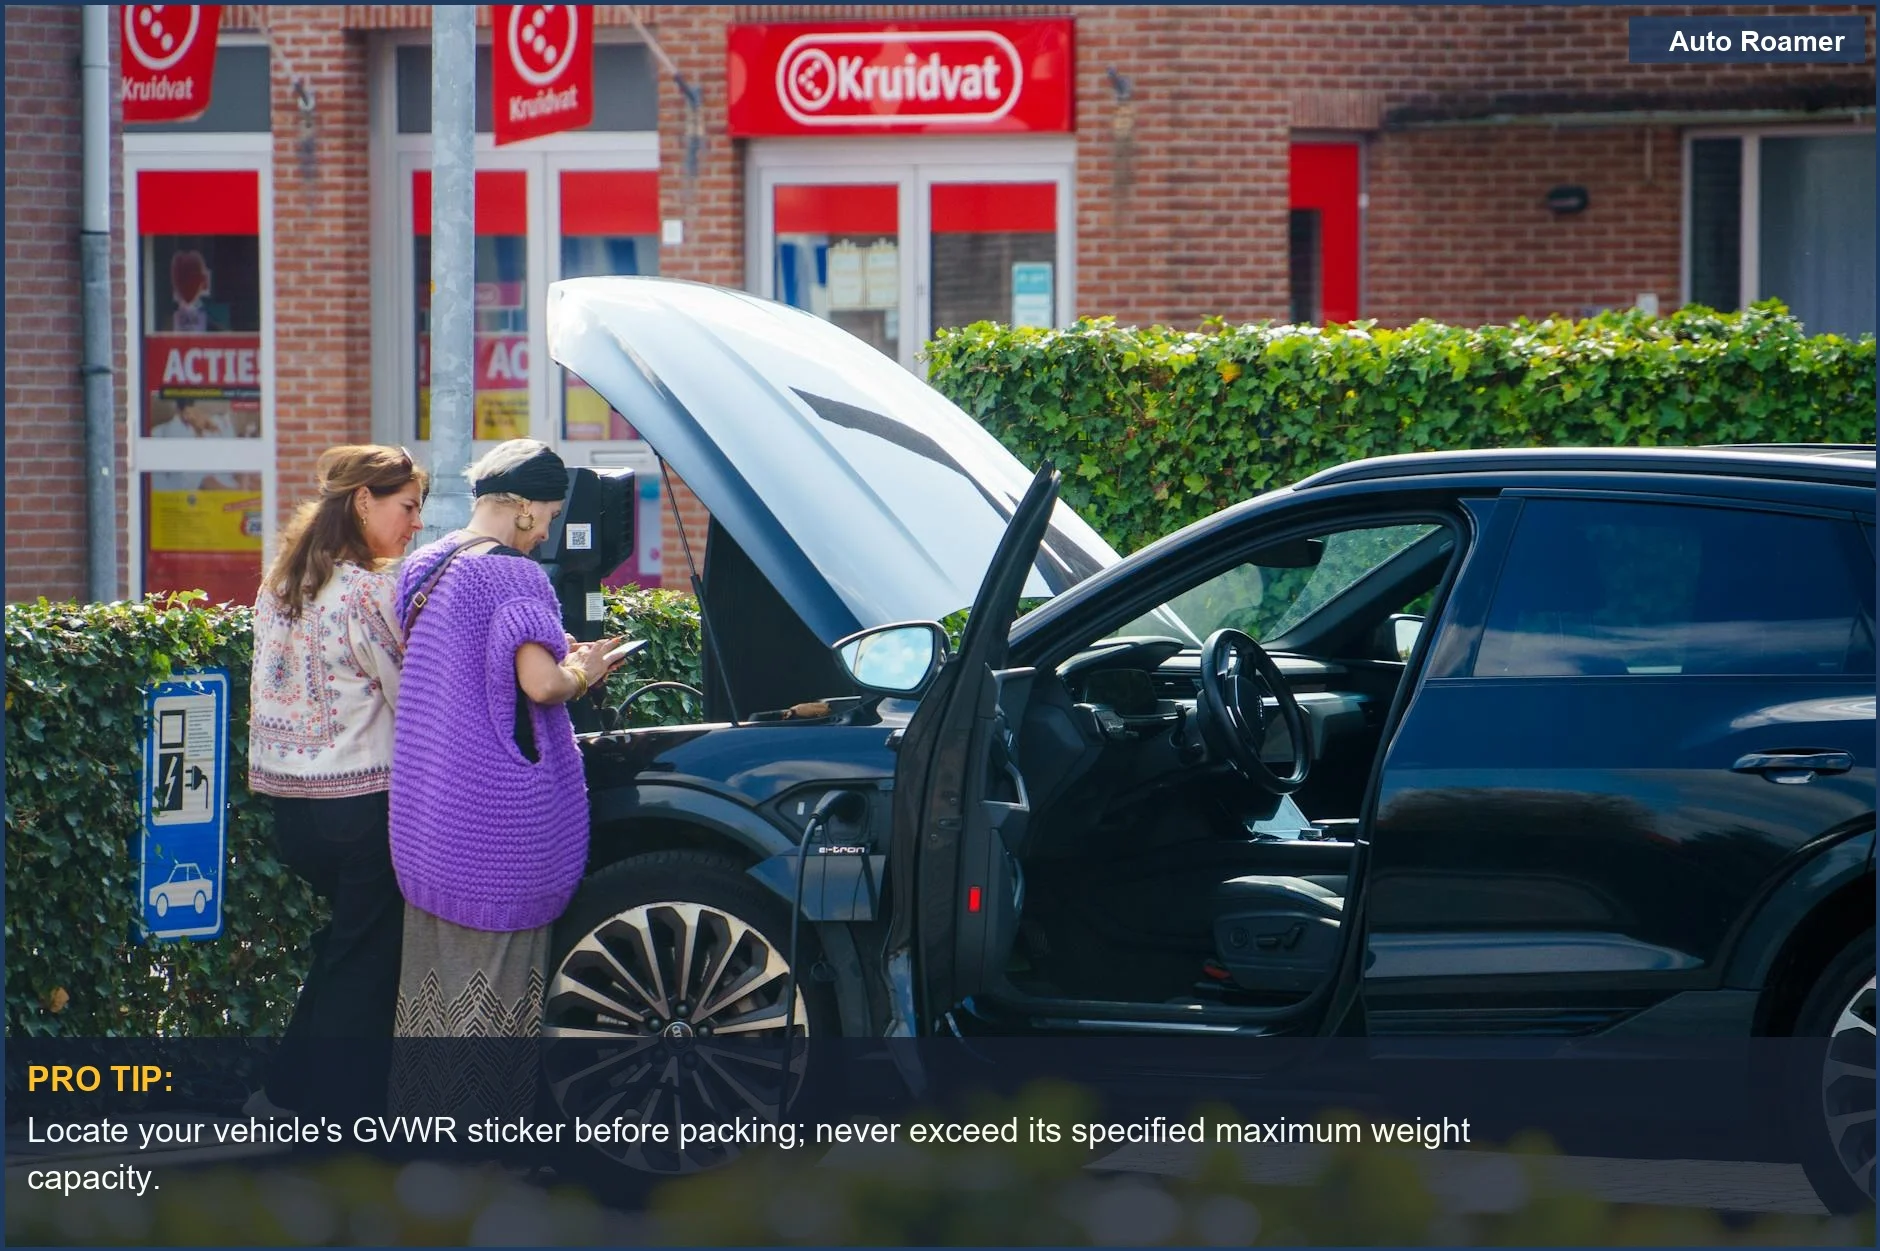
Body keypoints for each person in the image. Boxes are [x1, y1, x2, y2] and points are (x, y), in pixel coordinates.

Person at [387, 439, 627, 1113]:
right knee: (495, 1004)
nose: (549, 528)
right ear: (521, 507)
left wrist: (558, 653)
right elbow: (542, 685)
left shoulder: (427, 565)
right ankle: (478, 1155)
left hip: (430, 817)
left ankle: (422, 1140)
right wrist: (588, 666)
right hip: (499, 828)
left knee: (430, 997)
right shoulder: (515, 577)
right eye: (547, 513)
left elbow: (467, 671)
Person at [247, 444, 428, 1116]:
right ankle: (340, 1118)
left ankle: (285, 1092)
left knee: (345, 944)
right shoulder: (369, 591)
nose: (414, 525)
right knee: (367, 961)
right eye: (407, 506)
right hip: (362, 804)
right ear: (363, 500)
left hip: (291, 809)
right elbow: (411, 693)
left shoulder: (279, 584)